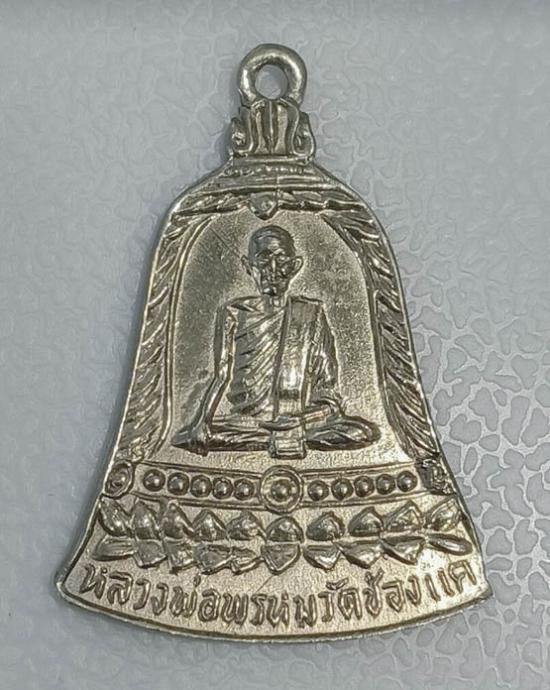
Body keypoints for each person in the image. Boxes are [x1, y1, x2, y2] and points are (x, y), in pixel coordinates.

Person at [173, 225, 378, 459]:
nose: (272, 269)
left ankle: (276, 437)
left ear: (294, 266)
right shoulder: (233, 312)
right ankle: (271, 438)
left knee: (361, 433)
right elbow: (221, 375)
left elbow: (329, 396)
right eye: (263, 259)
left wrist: (299, 419)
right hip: (246, 425)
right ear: (248, 266)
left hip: (298, 422)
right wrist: (201, 422)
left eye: (281, 260)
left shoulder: (310, 314)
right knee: (183, 438)